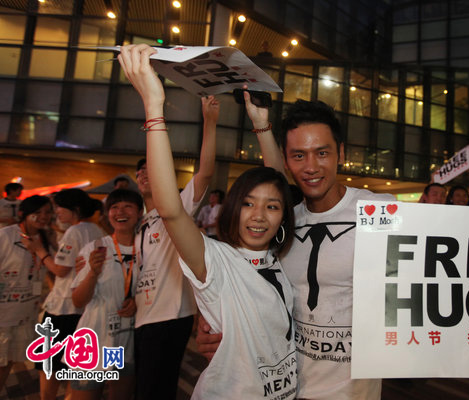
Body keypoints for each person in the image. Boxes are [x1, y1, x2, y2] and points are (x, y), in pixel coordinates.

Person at [198, 96, 469, 398]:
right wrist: (222, 328)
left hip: (352, 392)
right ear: (288, 161)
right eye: (299, 155)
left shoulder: (383, 212)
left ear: (341, 153)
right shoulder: (285, 221)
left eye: (323, 152)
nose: (311, 166)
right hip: (282, 388)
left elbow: (464, 258)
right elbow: (248, 280)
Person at [118, 43, 298, 399]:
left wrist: (261, 125)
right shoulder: (217, 261)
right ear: (232, 208)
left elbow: (278, 186)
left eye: (271, 208)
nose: (259, 215)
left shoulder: (277, 259)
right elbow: (171, 211)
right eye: (248, 203)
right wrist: (154, 108)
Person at [133, 95, 217, 400]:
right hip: (142, 318)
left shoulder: (176, 208)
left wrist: (209, 121)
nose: (144, 174)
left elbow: (205, 173)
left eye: (149, 169)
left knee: (154, 392)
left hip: (169, 318)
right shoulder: (138, 223)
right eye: (139, 172)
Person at [29, 189, 105, 399]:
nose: (56, 213)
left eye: (59, 207)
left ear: (75, 209)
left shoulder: (75, 231)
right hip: (83, 308)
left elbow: (61, 270)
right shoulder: (96, 230)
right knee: (74, 362)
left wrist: (40, 251)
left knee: (49, 363)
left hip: (62, 308)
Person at [70, 189, 142, 400]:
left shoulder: (148, 251)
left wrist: (138, 302)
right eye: (114, 207)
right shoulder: (96, 248)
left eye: (128, 206)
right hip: (93, 337)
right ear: (107, 214)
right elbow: (78, 301)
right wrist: (93, 272)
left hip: (126, 340)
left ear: (139, 213)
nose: (120, 211)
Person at [0, 195, 53, 391]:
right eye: (37, 213)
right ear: (24, 214)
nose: (43, 217)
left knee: (10, 360)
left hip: (25, 313)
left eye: (47, 212)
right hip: (3, 314)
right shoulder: (6, 236)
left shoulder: (46, 238)